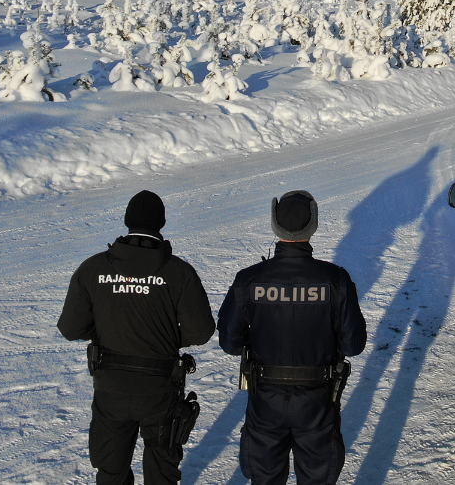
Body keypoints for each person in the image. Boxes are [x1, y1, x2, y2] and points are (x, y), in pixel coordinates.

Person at [58, 189, 215, 485]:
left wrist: (109, 329)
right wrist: (164, 334)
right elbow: (202, 331)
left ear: (127, 221)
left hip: (111, 390)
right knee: (161, 473)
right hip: (160, 390)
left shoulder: (93, 268)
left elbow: (71, 328)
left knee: (111, 471)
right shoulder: (178, 272)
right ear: (162, 223)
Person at [218, 189, 367, 485]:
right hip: (316, 400)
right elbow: (353, 345)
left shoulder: (249, 279)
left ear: (275, 225)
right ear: (313, 225)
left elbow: (229, 342)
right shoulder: (335, 279)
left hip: (265, 400)